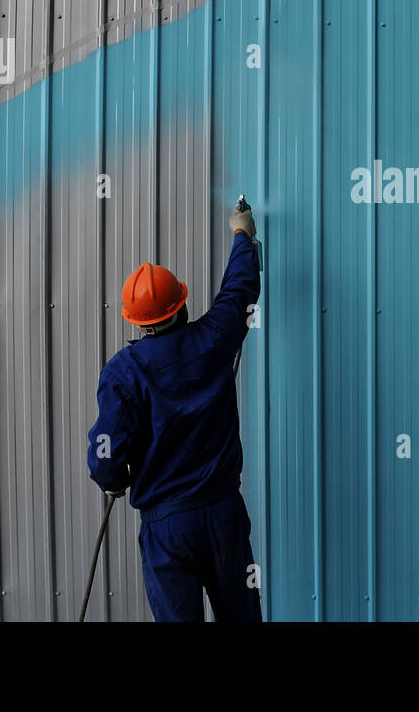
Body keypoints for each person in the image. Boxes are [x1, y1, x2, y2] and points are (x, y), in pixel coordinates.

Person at [86, 202, 262, 621]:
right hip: (222, 514)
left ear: (139, 323)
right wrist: (242, 236)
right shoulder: (216, 338)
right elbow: (239, 290)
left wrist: (113, 481)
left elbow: (106, 453)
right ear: (181, 304)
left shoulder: (123, 372)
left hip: (167, 528)